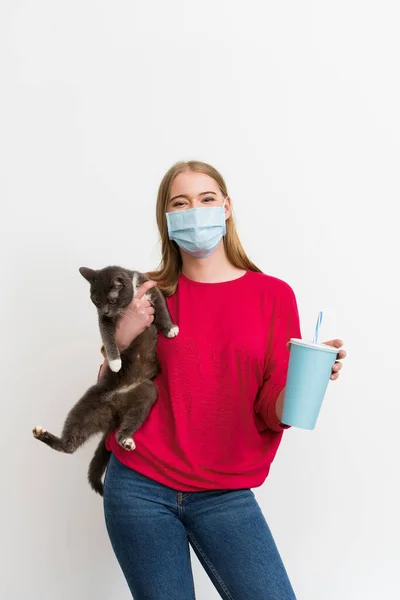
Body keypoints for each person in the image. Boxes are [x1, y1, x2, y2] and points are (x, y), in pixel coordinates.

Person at [100, 161, 346, 600]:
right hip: (139, 486)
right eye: (181, 203)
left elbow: (273, 407)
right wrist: (120, 336)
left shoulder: (273, 295)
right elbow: (110, 392)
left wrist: (309, 381)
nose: (195, 210)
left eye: (206, 199)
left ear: (227, 207)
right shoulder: (148, 294)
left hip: (223, 493)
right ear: (168, 219)